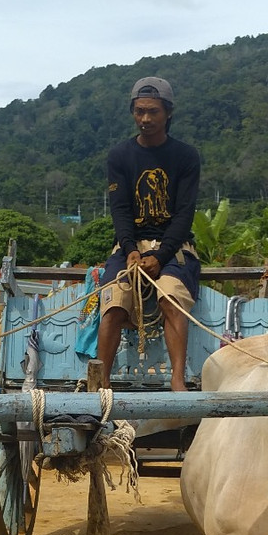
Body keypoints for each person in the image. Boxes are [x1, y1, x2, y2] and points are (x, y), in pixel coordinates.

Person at [97, 76, 201, 390]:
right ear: (132, 112)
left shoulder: (186, 156)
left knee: (170, 297)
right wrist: (129, 247)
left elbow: (184, 214)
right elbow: (121, 209)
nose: (145, 119)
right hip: (130, 246)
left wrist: (160, 255)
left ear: (168, 113)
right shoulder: (119, 156)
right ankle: (101, 382)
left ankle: (177, 379)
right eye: (139, 111)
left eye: (153, 111)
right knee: (114, 303)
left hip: (175, 247)